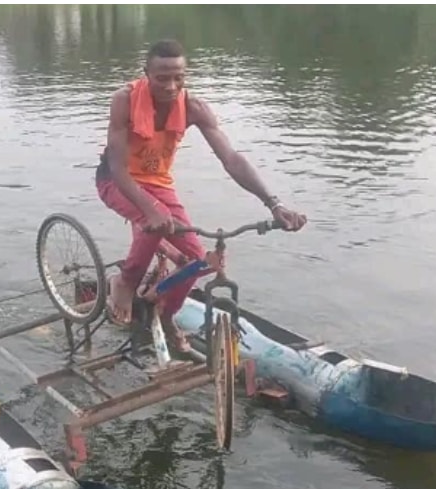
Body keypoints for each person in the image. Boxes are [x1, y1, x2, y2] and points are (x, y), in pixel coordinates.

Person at [96, 39, 307, 353]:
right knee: (153, 223)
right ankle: (124, 283)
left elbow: (232, 159)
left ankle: (166, 313)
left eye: (178, 77)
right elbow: (116, 164)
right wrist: (149, 208)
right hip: (117, 181)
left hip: (159, 184)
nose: (171, 86)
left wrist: (273, 203)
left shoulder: (194, 107)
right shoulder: (124, 100)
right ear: (146, 74)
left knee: (198, 261)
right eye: (162, 77)